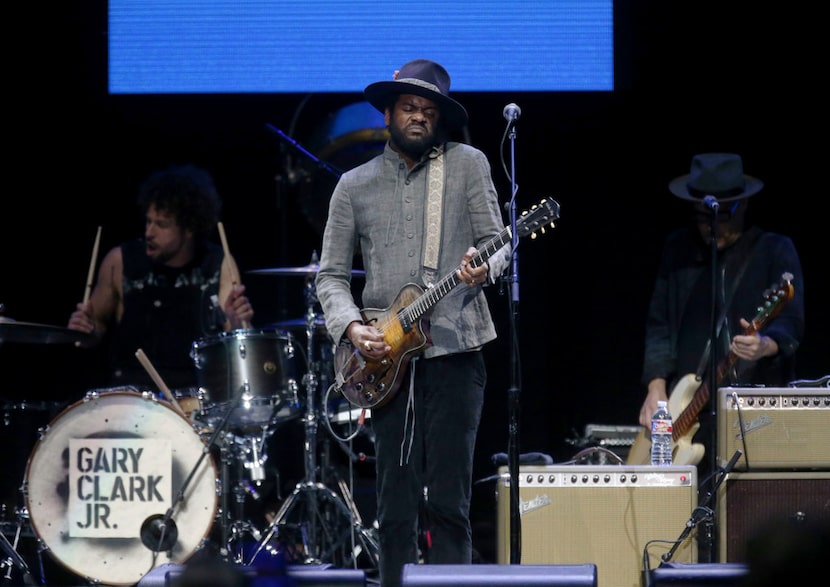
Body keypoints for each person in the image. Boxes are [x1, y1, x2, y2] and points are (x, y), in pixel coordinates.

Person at [314, 59, 510, 587]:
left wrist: (481, 269)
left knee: (450, 501)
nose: (419, 117)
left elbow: (499, 245)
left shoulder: (468, 165)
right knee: (395, 505)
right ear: (388, 113)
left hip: (455, 348)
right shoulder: (353, 186)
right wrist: (353, 328)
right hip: (383, 357)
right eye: (409, 107)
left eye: (429, 110)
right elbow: (330, 277)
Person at [636, 153, 805, 481]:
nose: (710, 227)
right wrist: (656, 386)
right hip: (686, 408)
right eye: (701, 217)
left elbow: (793, 322)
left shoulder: (774, 249)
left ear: (742, 206)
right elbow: (659, 324)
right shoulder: (678, 250)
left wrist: (766, 345)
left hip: (754, 410)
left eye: (720, 216)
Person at [67, 163, 254, 393]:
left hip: (194, 398)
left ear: (189, 228)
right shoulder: (120, 260)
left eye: (161, 225)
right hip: (128, 394)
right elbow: (93, 330)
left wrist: (238, 322)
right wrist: (85, 329)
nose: (149, 232)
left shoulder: (218, 263)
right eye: (148, 221)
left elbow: (238, 338)